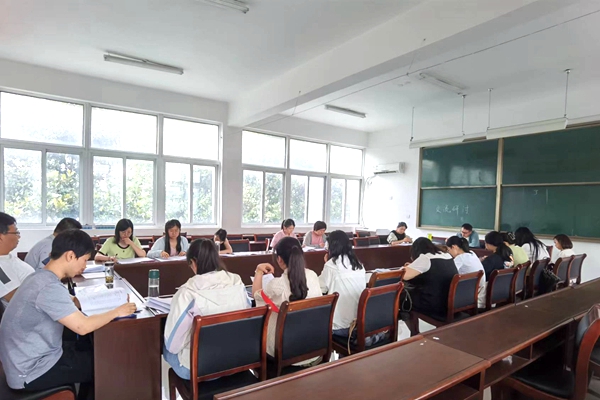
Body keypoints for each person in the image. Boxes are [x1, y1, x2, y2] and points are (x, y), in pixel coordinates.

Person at [0, 229, 136, 398]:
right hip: (30, 371)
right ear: (70, 256)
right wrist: (117, 311)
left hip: (25, 360)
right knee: (105, 363)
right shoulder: (48, 287)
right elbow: (82, 326)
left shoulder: (40, 277)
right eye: (84, 260)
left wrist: (103, 298)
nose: (84, 266)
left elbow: (70, 300)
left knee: (89, 349)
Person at [163, 239, 249, 380]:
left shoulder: (187, 292)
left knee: (167, 347)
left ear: (193, 262)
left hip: (200, 367)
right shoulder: (237, 282)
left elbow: (173, 346)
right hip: (236, 359)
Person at [253, 236, 321, 366]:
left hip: (285, 351)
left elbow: (256, 296)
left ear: (279, 259)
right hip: (314, 346)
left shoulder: (276, 285)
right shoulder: (312, 275)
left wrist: (259, 271)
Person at [319, 230, 365, 336]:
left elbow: (320, 288)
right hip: (359, 324)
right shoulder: (358, 264)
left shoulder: (331, 265)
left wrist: (327, 264)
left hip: (339, 327)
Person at [402, 237, 458, 319]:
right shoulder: (447, 255)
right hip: (449, 303)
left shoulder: (425, 258)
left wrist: (406, 267)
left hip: (433, 305)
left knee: (402, 298)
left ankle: (404, 321)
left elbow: (403, 276)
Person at [0, 212, 35, 308]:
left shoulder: (7, 257)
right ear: (1, 237)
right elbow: (17, 299)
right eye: (16, 233)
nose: (19, 236)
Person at [445, 236, 486, 308]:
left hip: (470, 292)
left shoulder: (460, 258)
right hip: (479, 289)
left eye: (449, 250)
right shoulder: (472, 253)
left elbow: (448, 272)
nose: (449, 253)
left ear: (454, 247)